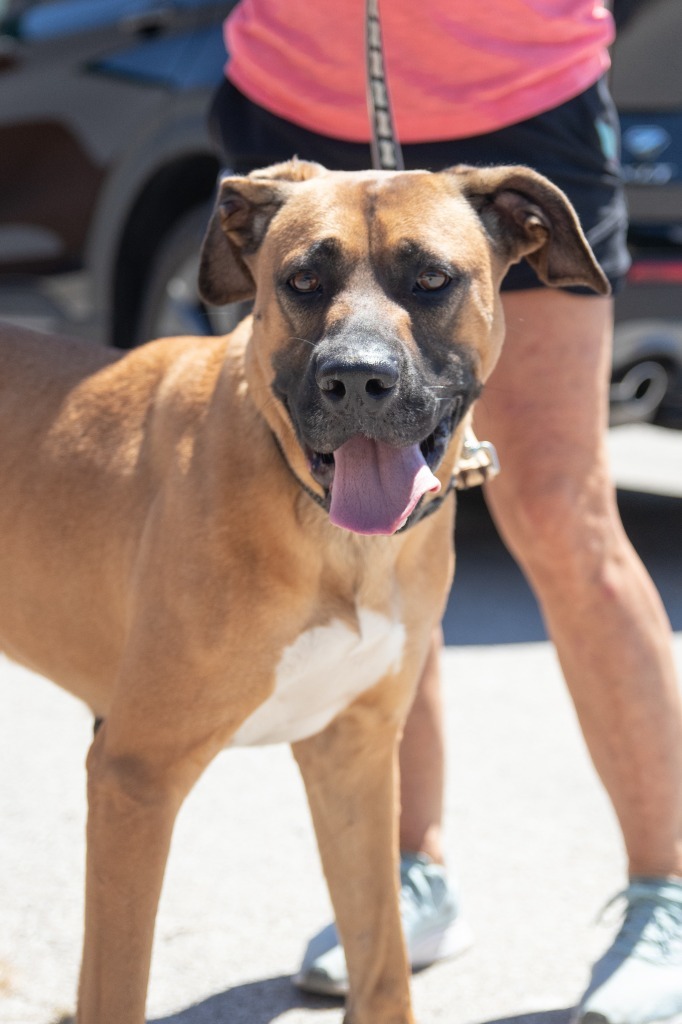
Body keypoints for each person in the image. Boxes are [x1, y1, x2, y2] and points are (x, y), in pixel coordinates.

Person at [208, 3, 682, 1021]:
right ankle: (408, 876)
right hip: (293, 113)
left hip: (513, 99)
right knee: (358, 522)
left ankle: (669, 892)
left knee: (561, 511)